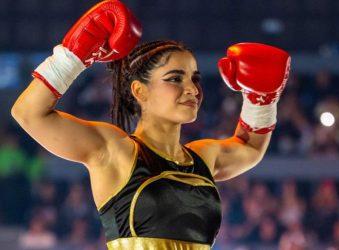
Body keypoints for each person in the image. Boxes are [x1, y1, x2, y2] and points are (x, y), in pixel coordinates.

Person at [11, 0, 291, 249]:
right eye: (175, 78)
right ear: (139, 91)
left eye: (195, 78)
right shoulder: (115, 150)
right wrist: (73, 55)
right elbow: (29, 113)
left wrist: (261, 101)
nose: (192, 89)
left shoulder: (203, 158)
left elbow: (249, 147)